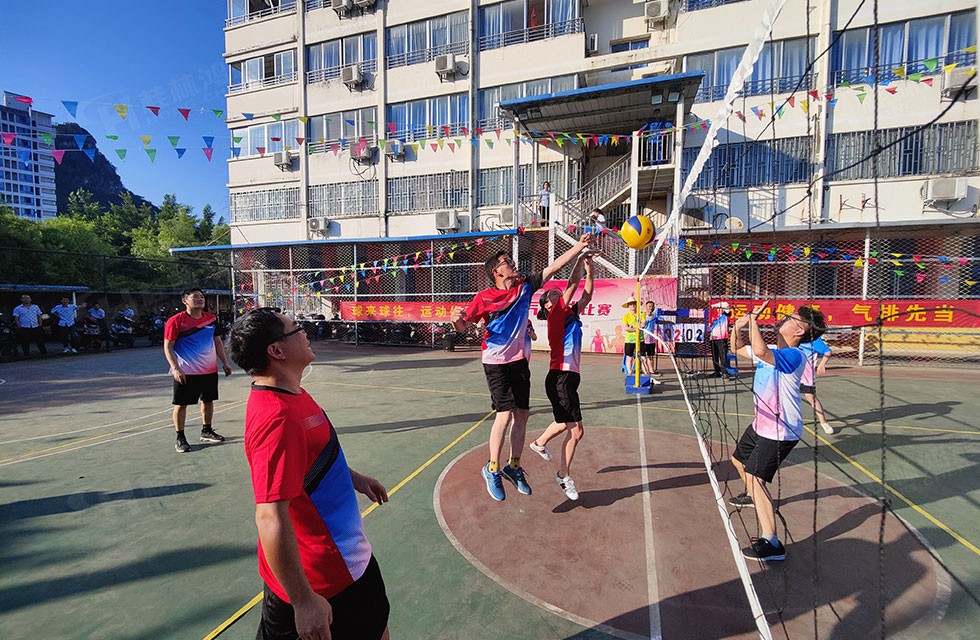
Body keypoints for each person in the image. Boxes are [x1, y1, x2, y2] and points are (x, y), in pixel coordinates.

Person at [228, 309, 391, 640]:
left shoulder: (293, 393)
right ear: (277, 350)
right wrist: (303, 602)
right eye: (296, 328)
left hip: (349, 561)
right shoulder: (278, 419)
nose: (305, 332)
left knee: (377, 628)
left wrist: (353, 478)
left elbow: (310, 458)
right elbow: (270, 517)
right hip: (322, 580)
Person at [451, 233, 592, 501]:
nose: (513, 263)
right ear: (496, 271)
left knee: (522, 416)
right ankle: (492, 468)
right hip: (496, 361)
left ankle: (513, 466)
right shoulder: (484, 298)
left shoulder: (525, 287)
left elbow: (554, 267)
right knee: (504, 415)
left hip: (519, 362)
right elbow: (462, 326)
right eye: (507, 261)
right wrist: (455, 319)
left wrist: (579, 246)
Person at [727, 303, 827, 562]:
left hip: (781, 430)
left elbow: (760, 350)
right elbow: (736, 349)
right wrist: (737, 327)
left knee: (755, 477)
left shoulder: (795, 356)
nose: (784, 319)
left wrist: (753, 321)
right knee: (737, 460)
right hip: (762, 424)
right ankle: (754, 495)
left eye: (791, 318)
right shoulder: (773, 350)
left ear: (800, 330)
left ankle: (772, 542)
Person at [529, 254, 594, 500]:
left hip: (569, 377)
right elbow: (573, 284)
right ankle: (563, 476)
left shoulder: (569, 315)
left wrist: (590, 269)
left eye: (558, 292)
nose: (557, 293)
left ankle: (540, 444)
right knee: (575, 430)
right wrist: (580, 257)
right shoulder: (556, 314)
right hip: (560, 377)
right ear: (547, 306)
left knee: (569, 426)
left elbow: (586, 296)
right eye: (552, 295)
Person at [163, 287, 233, 453]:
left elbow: (217, 342)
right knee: (181, 404)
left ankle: (206, 430)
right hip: (186, 371)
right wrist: (175, 368)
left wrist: (225, 362)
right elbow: (168, 347)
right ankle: (180, 437)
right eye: (195, 297)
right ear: (185, 301)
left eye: (201, 297)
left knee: (208, 401)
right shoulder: (175, 321)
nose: (200, 299)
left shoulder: (211, 319)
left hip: (209, 370)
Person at [799, 336, 835, 434]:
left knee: (811, 397)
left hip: (806, 374)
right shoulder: (791, 336)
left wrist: (821, 364)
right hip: (792, 372)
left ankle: (824, 422)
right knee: (786, 396)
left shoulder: (813, 339)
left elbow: (827, 351)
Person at [640, 300, 664, 384]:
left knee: (650, 356)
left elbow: (659, 321)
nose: (651, 308)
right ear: (646, 307)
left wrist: (669, 323)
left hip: (651, 339)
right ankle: (644, 372)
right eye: (649, 306)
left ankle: (651, 371)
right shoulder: (642, 316)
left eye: (652, 306)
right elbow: (640, 325)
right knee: (643, 357)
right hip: (643, 339)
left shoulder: (654, 316)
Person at [621, 296, 644, 375]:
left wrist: (633, 327)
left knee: (642, 357)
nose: (632, 305)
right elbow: (626, 328)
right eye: (630, 304)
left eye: (634, 303)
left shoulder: (641, 314)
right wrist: (637, 328)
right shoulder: (626, 316)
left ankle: (643, 372)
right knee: (629, 357)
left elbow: (643, 325)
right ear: (628, 306)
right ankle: (630, 372)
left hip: (640, 339)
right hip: (630, 340)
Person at [709, 301, 732, 377]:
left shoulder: (726, 316)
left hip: (722, 339)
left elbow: (726, 305)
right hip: (713, 339)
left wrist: (714, 305)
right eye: (718, 308)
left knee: (723, 356)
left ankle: (724, 372)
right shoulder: (713, 317)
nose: (719, 310)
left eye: (720, 308)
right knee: (714, 356)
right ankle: (717, 372)